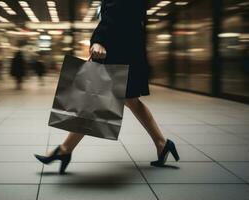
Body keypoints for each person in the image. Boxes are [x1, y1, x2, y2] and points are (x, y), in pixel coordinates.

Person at [34, 0, 180, 174]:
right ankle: (162, 144)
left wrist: (98, 40)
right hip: (129, 50)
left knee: (95, 101)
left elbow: (113, 15)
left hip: (117, 52)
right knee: (130, 100)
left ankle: (65, 150)